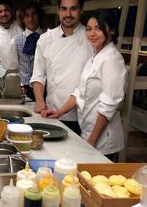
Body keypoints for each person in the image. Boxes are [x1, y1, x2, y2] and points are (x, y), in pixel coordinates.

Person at [42, 10, 126, 162]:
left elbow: (108, 105)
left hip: (103, 140)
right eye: (89, 28)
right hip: (88, 132)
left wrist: (92, 140)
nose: (92, 33)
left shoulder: (112, 60)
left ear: (112, 30)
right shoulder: (95, 56)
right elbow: (79, 92)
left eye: (98, 28)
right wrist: (58, 112)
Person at [30, 0, 93, 135]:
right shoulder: (45, 39)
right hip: (52, 112)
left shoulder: (91, 38)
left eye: (73, 9)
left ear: (81, 10)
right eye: (64, 9)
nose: (68, 14)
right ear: (58, 10)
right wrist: (40, 101)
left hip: (82, 117)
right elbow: (39, 75)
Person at [8, 0, 45, 101]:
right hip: (25, 91)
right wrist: (19, 86)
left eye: (34, 14)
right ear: (22, 19)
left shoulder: (48, 38)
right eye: (27, 15)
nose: (31, 18)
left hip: (46, 90)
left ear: (39, 16)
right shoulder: (15, 41)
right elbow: (13, 69)